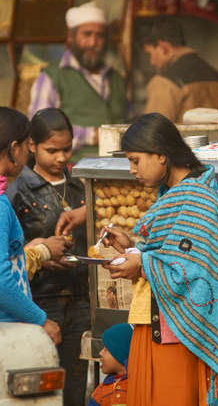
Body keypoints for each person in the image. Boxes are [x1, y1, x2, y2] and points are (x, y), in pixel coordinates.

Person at [97, 113, 218, 406]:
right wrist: (134, 249)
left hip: (178, 335)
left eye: (135, 160)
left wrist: (142, 264)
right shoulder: (173, 196)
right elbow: (172, 256)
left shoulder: (196, 200)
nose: (131, 170)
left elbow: (195, 273)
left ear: (161, 155)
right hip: (157, 327)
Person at [7, 108, 89, 406]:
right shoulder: (16, 190)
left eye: (66, 149)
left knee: (76, 386)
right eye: (51, 150)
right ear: (30, 146)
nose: (60, 158)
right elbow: (9, 253)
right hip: (40, 301)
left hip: (80, 297)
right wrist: (41, 253)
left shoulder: (80, 183)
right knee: (41, 390)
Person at [28, 1, 127, 161]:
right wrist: (91, 136)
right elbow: (39, 129)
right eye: (87, 34)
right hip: (71, 172)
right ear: (71, 37)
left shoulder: (115, 77)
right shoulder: (52, 76)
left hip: (116, 171)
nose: (93, 43)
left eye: (99, 36)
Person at [0, 107, 61, 346]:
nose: (28, 154)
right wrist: (41, 319)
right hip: (9, 332)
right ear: (14, 148)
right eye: (27, 147)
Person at [143, 18, 218, 123]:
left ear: (164, 48)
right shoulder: (217, 76)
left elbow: (152, 133)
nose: (152, 62)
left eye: (150, 54)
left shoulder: (164, 82)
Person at [89, 323, 133, 406]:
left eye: (106, 349)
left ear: (120, 354)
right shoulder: (101, 392)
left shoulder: (139, 388)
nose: (100, 353)